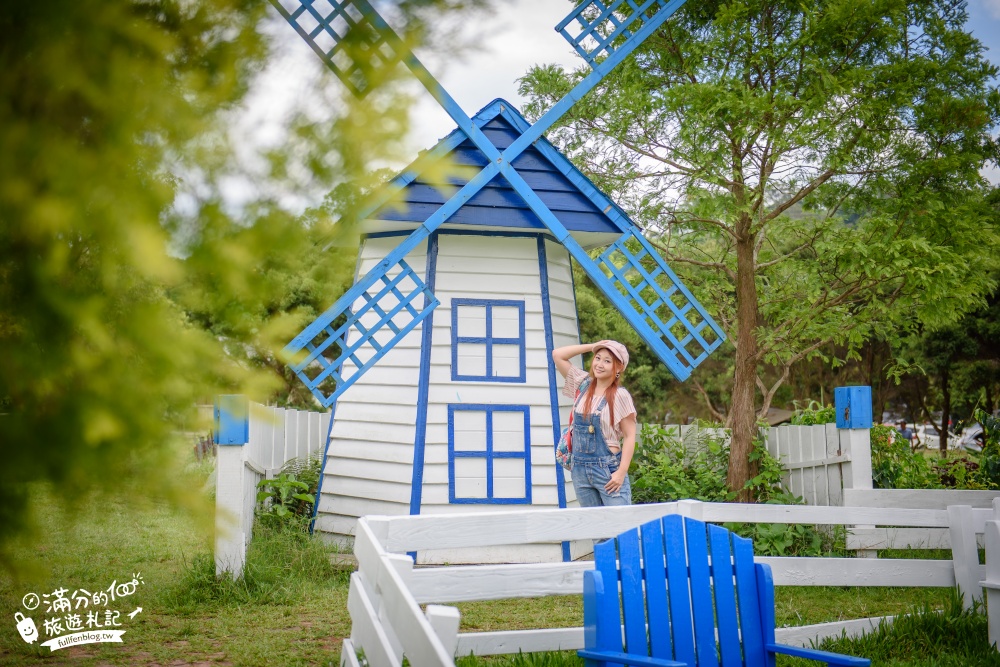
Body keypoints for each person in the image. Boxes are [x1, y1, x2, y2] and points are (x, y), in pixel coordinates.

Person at [552, 340, 637, 506]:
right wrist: (594, 346)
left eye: (607, 361)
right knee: (594, 529)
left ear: (618, 367)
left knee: (620, 525)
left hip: (608, 470)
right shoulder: (583, 384)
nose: (599, 364)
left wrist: (621, 472)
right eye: (597, 358)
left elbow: (629, 435)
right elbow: (558, 355)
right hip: (580, 470)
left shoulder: (620, 395)